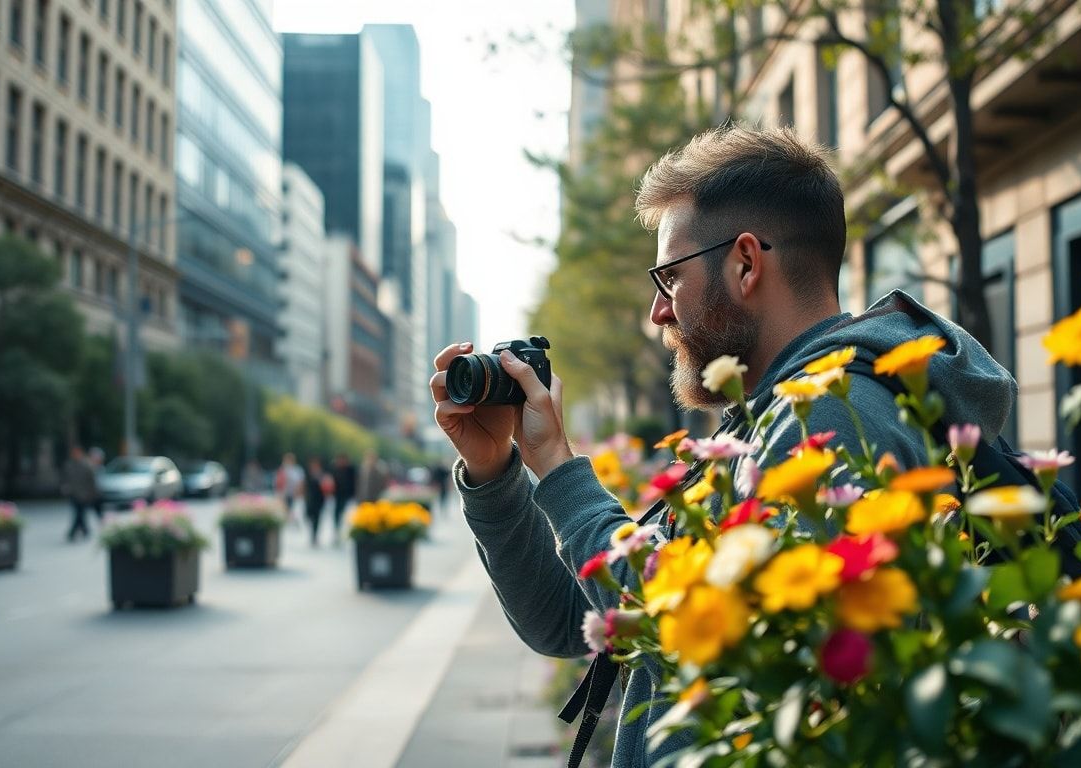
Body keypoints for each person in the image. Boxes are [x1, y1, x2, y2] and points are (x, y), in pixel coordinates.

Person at [431, 125, 1021, 768]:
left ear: (744, 263)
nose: (658, 313)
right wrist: (495, 472)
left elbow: (724, 641)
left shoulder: (829, 418)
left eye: (670, 279)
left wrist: (557, 466)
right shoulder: (771, 417)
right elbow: (566, 618)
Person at [61, 446, 98, 542]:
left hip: (84, 494)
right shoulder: (69, 465)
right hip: (73, 494)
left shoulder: (86, 465)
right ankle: (84, 531)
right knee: (79, 513)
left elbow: (91, 481)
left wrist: (93, 493)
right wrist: (65, 488)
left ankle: (74, 532)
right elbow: (65, 478)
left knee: (80, 513)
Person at [329, 453, 357, 544]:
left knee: (346, 515)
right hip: (337, 495)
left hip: (347, 495)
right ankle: (337, 532)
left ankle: (343, 533)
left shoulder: (351, 470)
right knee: (337, 514)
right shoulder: (335, 469)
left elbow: (354, 482)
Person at [274, 453, 304, 525]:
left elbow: (300, 482)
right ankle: (291, 520)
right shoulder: (282, 469)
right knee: (286, 510)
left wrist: (298, 492)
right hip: (284, 493)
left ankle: (293, 521)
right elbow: (278, 481)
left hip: (293, 493)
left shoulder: (297, 470)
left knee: (291, 509)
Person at [303, 456, 327, 546]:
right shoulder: (308, 474)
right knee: (308, 516)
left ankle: (314, 536)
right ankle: (312, 533)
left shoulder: (322, 474)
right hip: (309, 499)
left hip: (319, 500)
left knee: (317, 519)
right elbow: (304, 485)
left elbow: (326, 486)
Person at [87, 447, 106, 520]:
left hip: (98, 494)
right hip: (90, 494)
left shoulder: (101, 468)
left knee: (99, 511)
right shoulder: (89, 468)